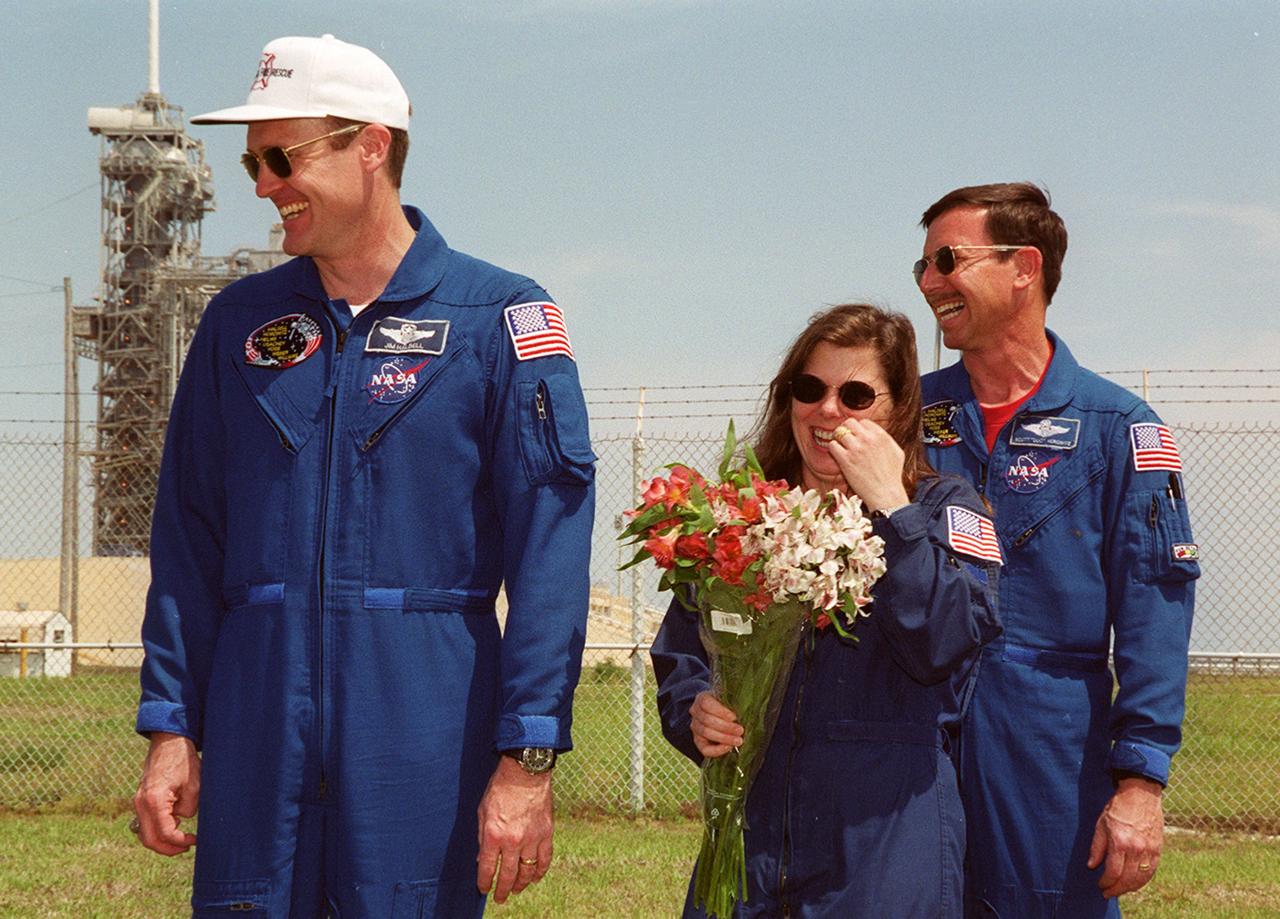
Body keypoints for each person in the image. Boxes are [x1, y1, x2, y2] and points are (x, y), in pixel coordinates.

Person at [130, 35, 596, 917]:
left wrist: (527, 758)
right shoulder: (239, 323)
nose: (263, 184)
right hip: (259, 739)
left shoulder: (501, 318)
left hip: (423, 740)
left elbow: (550, 559)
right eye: (252, 162)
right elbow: (187, 540)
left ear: (370, 145)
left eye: (282, 156)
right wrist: (171, 725)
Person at [651, 303, 1003, 917]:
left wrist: (895, 508)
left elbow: (945, 644)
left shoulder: (944, 505)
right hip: (750, 838)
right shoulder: (745, 511)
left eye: (857, 394)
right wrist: (694, 709)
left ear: (897, 410)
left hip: (883, 837)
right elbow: (686, 647)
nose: (828, 409)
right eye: (810, 388)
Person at [915, 182, 1199, 918]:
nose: (928, 282)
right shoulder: (908, 415)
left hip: (1048, 746)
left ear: (1024, 267)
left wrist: (1140, 782)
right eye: (921, 267)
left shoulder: (1118, 428)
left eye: (947, 259)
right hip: (910, 732)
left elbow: (1155, 611)